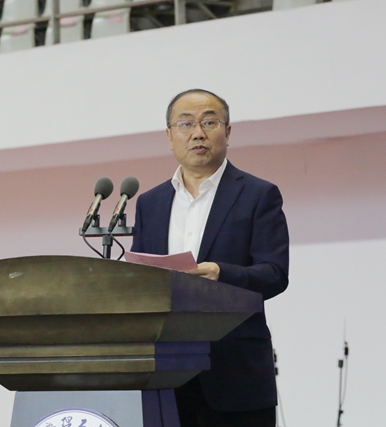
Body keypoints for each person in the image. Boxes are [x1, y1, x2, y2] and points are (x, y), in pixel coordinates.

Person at [131, 89, 289, 427]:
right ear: (169, 136)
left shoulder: (258, 194)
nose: (198, 133)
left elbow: (275, 274)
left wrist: (221, 274)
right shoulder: (149, 203)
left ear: (227, 132)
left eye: (209, 122)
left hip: (235, 373)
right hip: (165, 375)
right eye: (186, 123)